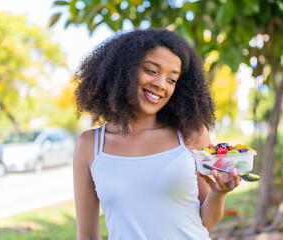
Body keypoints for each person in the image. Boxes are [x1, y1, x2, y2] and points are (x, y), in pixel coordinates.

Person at [73, 28, 241, 240]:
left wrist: (218, 194)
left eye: (172, 79)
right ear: (123, 69)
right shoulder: (90, 145)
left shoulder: (191, 134)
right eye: (151, 71)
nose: (161, 84)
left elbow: (205, 222)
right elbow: (87, 236)